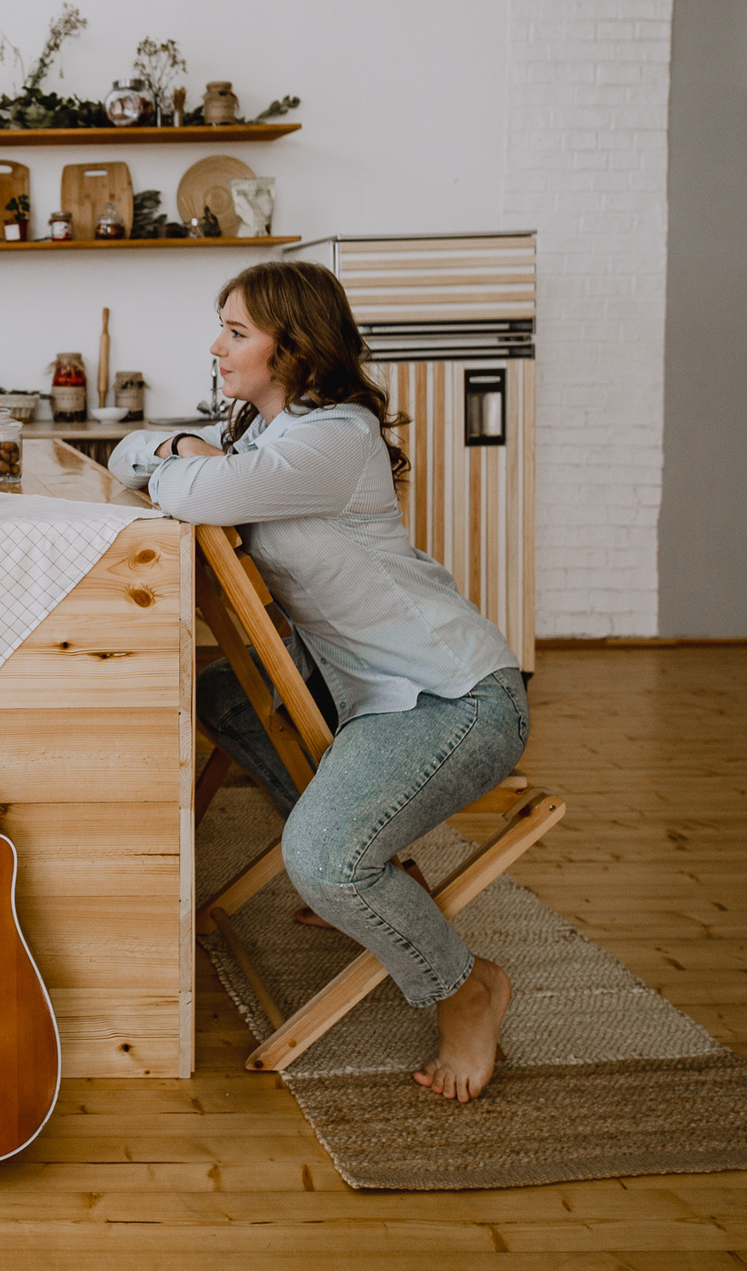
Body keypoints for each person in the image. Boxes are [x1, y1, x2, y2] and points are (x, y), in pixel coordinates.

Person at [108, 261, 526, 1102]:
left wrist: (182, 456)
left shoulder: (332, 438)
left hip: (454, 694)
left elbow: (195, 489)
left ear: (291, 349)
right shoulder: (266, 437)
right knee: (225, 697)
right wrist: (179, 448)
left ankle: (466, 987)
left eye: (236, 332)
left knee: (325, 864)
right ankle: (383, 861)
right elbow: (128, 453)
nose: (216, 346)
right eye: (221, 326)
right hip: (368, 688)